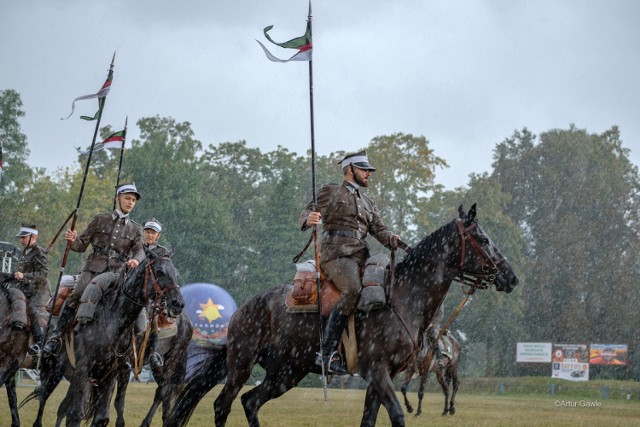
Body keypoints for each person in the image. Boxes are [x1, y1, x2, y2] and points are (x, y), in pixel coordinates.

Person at [300, 150, 401, 375]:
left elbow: (380, 230)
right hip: (335, 255)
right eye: (365, 170)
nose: (369, 174)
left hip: (361, 255)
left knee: (382, 290)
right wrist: (309, 218)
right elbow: (308, 211)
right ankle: (326, 353)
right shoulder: (332, 191)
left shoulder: (368, 202)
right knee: (353, 289)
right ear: (350, 170)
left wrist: (392, 238)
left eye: (369, 170)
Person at [43, 182, 145, 355]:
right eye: (127, 198)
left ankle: (132, 347)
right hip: (92, 269)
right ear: (117, 199)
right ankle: (56, 336)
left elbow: (140, 250)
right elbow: (81, 245)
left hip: (118, 273)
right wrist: (72, 240)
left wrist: (135, 260)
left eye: (133, 200)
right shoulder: (100, 219)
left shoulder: (136, 229)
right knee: (76, 294)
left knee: (132, 302)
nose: (130, 202)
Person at [0, 224, 51, 357]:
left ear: (32, 237)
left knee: (33, 310)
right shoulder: (25, 251)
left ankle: (40, 343)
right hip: (25, 288)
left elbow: (43, 274)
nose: (21, 240)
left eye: (24, 237)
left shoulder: (39, 253)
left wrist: (25, 276)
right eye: (21, 238)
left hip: (39, 290)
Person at [142, 218, 170, 369]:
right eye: (147, 231)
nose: (149, 235)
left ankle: (152, 352)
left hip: (153, 296)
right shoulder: (136, 248)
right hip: (132, 292)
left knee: (152, 318)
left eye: (153, 232)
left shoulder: (162, 252)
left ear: (158, 235)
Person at [427, 303, 445, 368]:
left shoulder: (440, 303)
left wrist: (432, 323)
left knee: (434, 337)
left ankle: (439, 358)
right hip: (423, 325)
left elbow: (440, 316)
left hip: (434, 326)